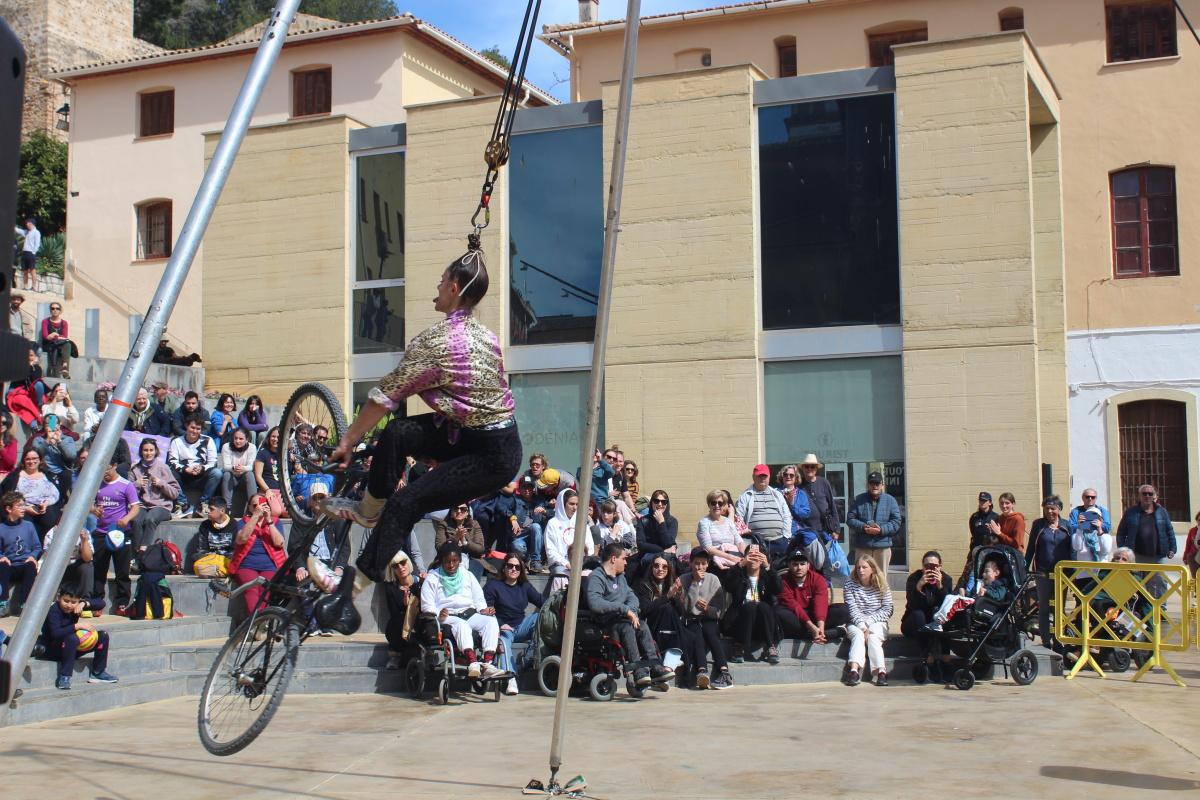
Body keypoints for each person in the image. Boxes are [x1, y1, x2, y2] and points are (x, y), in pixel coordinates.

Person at [319, 251, 523, 588]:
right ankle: (369, 507)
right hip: (473, 433)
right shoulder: (487, 337)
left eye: (442, 280)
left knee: (406, 502)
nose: (438, 285)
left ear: (455, 287)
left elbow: (384, 397)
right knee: (400, 432)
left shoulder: (437, 343)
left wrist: (347, 440)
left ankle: (350, 588)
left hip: (491, 456)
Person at [585, 541, 674, 693]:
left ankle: (655, 667)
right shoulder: (596, 577)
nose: (626, 562)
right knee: (628, 628)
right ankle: (638, 670)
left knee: (642, 626)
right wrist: (625, 610)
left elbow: (632, 597)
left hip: (623, 618)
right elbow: (595, 603)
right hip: (606, 623)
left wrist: (631, 611)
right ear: (614, 559)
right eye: (624, 558)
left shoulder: (621, 577)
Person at [420, 542, 505, 679]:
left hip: (469, 613)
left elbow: (478, 598)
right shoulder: (433, 577)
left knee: (490, 622)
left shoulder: (467, 575)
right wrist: (438, 613)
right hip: (447, 616)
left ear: (459, 560)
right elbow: (426, 605)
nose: (451, 565)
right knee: (462, 625)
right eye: (448, 561)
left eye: (455, 561)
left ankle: (487, 664)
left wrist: (483, 610)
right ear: (442, 560)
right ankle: (472, 662)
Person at [669, 547, 731, 689]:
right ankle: (702, 671)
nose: (700, 567)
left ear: (708, 564)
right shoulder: (684, 579)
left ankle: (724, 671)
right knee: (696, 633)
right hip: (691, 620)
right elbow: (687, 609)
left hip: (709, 619)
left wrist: (707, 609)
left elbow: (719, 610)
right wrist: (695, 583)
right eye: (696, 563)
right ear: (690, 564)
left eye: (703, 563)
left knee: (710, 632)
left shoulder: (714, 579)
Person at [484, 552, 544, 695]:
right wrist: (499, 623)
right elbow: (484, 611)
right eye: (510, 566)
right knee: (504, 641)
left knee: (539, 617)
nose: (513, 569)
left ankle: (528, 658)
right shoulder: (493, 586)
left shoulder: (525, 586)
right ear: (504, 568)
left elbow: (543, 602)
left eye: (517, 567)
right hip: (504, 629)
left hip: (521, 625)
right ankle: (511, 678)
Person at [42, 586, 118, 690]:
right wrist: (77, 626)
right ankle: (64, 677)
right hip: (53, 649)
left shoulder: (77, 606)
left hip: (70, 648)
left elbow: (101, 603)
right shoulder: (54, 610)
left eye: (73, 602)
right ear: (59, 598)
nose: (69, 605)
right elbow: (55, 633)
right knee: (72, 638)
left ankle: (98, 673)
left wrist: (84, 603)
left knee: (103, 636)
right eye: (66, 601)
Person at [91, 456, 140, 615]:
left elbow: (135, 507)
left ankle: (122, 603)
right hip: (101, 532)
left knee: (122, 571)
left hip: (120, 533)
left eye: (107, 468)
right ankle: (97, 602)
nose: (104, 472)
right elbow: (87, 502)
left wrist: (126, 519)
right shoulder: (96, 483)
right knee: (99, 569)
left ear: (114, 465)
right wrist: (93, 510)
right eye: (102, 469)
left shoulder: (126, 485)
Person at [1026, 495, 1073, 649]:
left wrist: (1072, 571)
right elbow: (1032, 547)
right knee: (1044, 607)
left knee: (1059, 607)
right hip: (1043, 572)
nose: (1050, 511)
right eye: (1046, 509)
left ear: (1059, 509)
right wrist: (1026, 567)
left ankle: (1059, 639)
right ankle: (1046, 640)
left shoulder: (1067, 526)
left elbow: (1073, 550)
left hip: (1062, 573)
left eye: (1053, 508)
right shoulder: (1038, 525)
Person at [721, 545, 781, 664]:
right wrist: (740, 565)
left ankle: (770, 646)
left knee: (763, 606)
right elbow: (727, 585)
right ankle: (739, 646)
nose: (754, 559)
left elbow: (778, 588)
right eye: (751, 556)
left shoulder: (767, 575)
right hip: (740, 621)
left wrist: (768, 567)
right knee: (751, 606)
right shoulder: (739, 574)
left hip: (762, 623)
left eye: (757, 556)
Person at [900, 550, 955, 681]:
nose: (930, 569)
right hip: (914, 622)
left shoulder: (946, 579)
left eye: (934, 566)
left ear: (940, 567)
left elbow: (946, 606)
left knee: (945, 617)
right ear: (922, 567)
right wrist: (919, 587)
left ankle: (945, 660)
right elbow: (912, 605)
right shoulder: (914, 578)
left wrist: (940, 586)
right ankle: (929, 660)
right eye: (927, 566)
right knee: (919, 615)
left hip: (935, 621)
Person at [229, 495, 287, 615]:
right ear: (249, 508)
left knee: (265, 590)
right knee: (251, 589)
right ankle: (257, 622)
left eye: (261, 504)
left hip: (270, 565)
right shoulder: (243, 522)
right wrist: (255, 516)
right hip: (247, 565)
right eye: (254, 505)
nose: (258, 507)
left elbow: (279, 543)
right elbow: (241, 539)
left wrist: (269, 520)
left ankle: (257, 623)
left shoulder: (275, 522)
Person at [1115, 484, 1175, 597]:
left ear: (1154, 496)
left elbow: (1169, 531)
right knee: (1135, 582)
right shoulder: (1131, 512)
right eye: (1144, 493)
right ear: (1139, 496)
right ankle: (1138, 609)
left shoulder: (1162, 511)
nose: (1147, 496)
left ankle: (1160, 610)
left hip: (1157, 556)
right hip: (1136, 555)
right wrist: (1123, 550)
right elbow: (1121, 532)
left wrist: (1172, 548)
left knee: (1159, 583)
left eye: (1150, 494)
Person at [774, 550, 847, 642]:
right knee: (778, 612)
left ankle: (816, 634)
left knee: (843, 609)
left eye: (802, 564)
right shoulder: (783, 581)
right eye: (795, 564)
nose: (799, 568)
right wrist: (812, 627)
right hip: (796, 617)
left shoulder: (818, 579)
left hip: (814, 615)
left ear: (808, 566)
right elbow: (794, 606)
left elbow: (820, 604)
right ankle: (831, 633)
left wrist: (820, 627)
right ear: (789, 565)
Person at [844, 554, 893, 686]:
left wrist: (868, 623)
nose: (860, 570)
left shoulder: (882, 583)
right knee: (859, 635)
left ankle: (881, 672)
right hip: (855, 621)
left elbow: (887, 609)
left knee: (873, 637)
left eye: (864, 567)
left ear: (872, 568)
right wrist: (862, 626)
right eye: (858, 567)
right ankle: (854, 670)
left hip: (877, 621)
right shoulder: (850, 583)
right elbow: (851, 609)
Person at [129, 438, 179, 551]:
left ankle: (143, 549)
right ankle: (137, 552)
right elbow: (128, 494)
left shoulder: (163, 467)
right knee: (136, 520)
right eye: (145, 450)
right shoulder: (135, 469)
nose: (148, 453)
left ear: (156, 451)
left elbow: (175, 493)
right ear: (141, 451)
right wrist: (136, 484)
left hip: (161, 506)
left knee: (150, 519)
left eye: (151, 450)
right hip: (142, 505)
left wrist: (162, 484)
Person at [167, 414, 222, 518]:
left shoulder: (208, 440)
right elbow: (172, 461)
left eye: (198, 429)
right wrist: (185, 469)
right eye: (192, 427)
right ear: (186, 426)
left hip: (201, 476)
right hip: (184, 476)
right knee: (169, 470)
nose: (195, 431)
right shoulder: (176, 441)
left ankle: (203, 504)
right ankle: (183, 504)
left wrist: (202, 468)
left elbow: (212, 461)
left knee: (217, 473)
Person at [734, 464, 793, 560]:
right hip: (756, 541)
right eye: (759, 476)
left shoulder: (777, 494)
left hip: (779, 540)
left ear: (769, 477)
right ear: (753, 477)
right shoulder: (746, 496)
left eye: (764, 476)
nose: (762, 479)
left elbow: (786, 515)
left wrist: (786, 537)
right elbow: (739, 518)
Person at [847, 471, 903, 572]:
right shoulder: (858, 499)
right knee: (861, 578)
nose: (875, 486)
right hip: (863, 547)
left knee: (880, 580)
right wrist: (864, 527)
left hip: (882, 548)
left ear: (882, 485)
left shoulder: (890, 500)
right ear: (868, 485)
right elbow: (850, 519)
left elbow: (896, 521)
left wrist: (881, 530)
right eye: (872, 483)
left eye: (877, 483)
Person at [633, 554, 684, 659]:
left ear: (669, 569)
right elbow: (645, 610)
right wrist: (667, 596)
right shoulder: (643, 585)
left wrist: (674, 596)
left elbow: (681, 612)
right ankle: (670, 657)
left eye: (664, 567)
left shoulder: (672, 585)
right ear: (651, 568)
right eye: (656, 566)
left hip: (671, 624)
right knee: (667, 608)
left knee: (692, 635)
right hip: (651, 625)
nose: (660, 569)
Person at [544, 488, 594, 594]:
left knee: (591, 576)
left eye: (577, 504)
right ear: (563, 504)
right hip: (560, 565)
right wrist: (566, 563)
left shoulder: (581, 523)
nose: (575, 507)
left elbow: (590, 548)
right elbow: (551, 551)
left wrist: (580, 563)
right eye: (571, 504)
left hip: (581, 564)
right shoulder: (553, 523)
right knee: (561, 576)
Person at [0, 491, 42, 616]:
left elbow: (37, 547)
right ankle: (3, 601)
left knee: (30, 567)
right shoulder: (1, 528)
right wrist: (1, 557)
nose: (23, 508)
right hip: (10, 565)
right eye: (19, 506)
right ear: (8, 508)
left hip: (25, 563)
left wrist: (32, 556)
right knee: (2, 567)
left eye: (24, 505)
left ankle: (25, 603)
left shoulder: (29, 526)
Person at [382, 550, 422, 670]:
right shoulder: (391, 588)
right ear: (392, 570)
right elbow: (393, 612)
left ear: (408, 563)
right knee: (396, 620)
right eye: (395, 566)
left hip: (419, 621)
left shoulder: (421, 583)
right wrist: (405, 604)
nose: (400, 567)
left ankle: (428, 654)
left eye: (402, 563)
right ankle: (395, 656)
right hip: (401, 625)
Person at [13, 449, 61, 541]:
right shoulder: (16, 476)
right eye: (28, 459)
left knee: (50, 519)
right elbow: (11, 496)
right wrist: (25, 508)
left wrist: (45, 504)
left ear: (40, 460)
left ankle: (49, 548)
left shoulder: (48, 474)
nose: (31, 461)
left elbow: (55, 494)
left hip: (45, 507)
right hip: (24, 507)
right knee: (26, 524)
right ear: (24, 460)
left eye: (34, 458)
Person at [697, 489, 745, 574]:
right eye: (713, 503)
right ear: (709, 504)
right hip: (715, 564)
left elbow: (739, 542)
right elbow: (708, 548)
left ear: (724, 505)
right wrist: (730, 557)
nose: (717, 505)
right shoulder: (704, 523)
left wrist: (746, 555)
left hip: (734, 558)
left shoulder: (729, 521)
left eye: (720, 503)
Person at [433, 502, 487, 579]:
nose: (459, 511)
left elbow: (480, 549)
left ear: (467, 513)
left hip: (472, 558)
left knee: (471, 578)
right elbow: (439, 548)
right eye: (456, 508)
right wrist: (455, 538)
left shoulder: (474, 524)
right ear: (451, 513)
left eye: (463, 509)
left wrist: (465, 543)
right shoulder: (443, 525)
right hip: (448, 558)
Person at [798, 453, 842, 541]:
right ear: (803, 468)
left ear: (816, 468)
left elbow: (832, 506)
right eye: (807, 466)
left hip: (824, 530)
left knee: (824, 554)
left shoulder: (824, 483)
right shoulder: (798, 485)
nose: (809, 469)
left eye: (812, 466)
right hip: (805, 531)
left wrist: (836, 530)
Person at [193, 497, 237, 578]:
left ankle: (216, 571)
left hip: (226, 560)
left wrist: (221, 558)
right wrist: (214, 557)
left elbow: (235, 551)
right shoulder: (205, 525)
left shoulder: (234, 525)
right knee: (197, 566)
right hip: (210, 560)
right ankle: (221, 572)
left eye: (211, 509)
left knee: (234, 564)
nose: (207, 511)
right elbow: (200, 550)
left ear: (222, 511)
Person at [637, 490, 678, 572]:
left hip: (666, 558)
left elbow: (668, 543)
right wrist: (663, 551)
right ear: (652, 503)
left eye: (663, 502)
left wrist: (661, 523)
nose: (660, 504)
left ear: (667, 504)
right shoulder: (643, 520)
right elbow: (641, 544)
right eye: (656, 501)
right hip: (648, 557)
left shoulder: (672, 521)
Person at [219, 428, 258, 512]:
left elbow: (250, 467)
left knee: (250, 474)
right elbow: (226, 466)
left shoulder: (252, 447)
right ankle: (226, 508)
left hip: (244, 478)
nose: (237, 441)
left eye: (241, 439)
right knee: (226, 474)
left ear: (247, 439)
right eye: (235, 438)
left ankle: (254, 506)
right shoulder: (226, 446)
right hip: (231, 477)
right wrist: (234, 468)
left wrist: (242, 468)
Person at [776, 464, 813, 547]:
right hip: (779, 532)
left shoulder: (801, 494)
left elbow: (806, 514)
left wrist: (792, 504)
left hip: (797, 532)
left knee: (814, 540)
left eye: (791, 475)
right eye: (785, 474)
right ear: (782, 477)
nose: (788, 477)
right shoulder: (775, 493)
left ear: (796, 477)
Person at [254, 426, 283, 516]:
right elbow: (258, 475)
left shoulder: (285, 454)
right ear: (269, 437)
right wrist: (267, 490)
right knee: (276, 512)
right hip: (267, 490)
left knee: (287, 513)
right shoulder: (263, 453)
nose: (275, 439)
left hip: (282, 492)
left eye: (278, 437)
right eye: (273, 436)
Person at [39, 302, 73, 378]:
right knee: (64, 345)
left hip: (59, 344)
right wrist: (57, 336)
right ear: (50, 310)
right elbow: (45, 336)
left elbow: (64, 337)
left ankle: (64, 368)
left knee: (68, 344)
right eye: (52, 308)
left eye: (57, 308)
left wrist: (53, 335)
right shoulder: (45, 321)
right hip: (48, 345)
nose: (55, 310)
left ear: (60, 311)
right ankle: (57, 370)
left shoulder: (64, 323)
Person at [19, 219, 41, 291]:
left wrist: (33, 252)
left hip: (31, 253)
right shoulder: (27, 232)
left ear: (31, 224)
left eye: (27, 223)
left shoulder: (36, 232)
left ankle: (34, 287)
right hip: (25, 252)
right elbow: (19, 231)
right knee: (25, 271)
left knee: (32, 270)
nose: (26, 225)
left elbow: (37, 244)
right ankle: (25, 286)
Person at [1183, 510, 1200, 577]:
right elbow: (1188, 545)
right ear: (1197, 520)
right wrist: (1185, 557)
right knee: (1195, 578)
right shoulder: (1192, 530)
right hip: (1193, 558)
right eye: (1199, 520)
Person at [0, 413, 16, 479]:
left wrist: (2, 450)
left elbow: (11, 463)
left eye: (4, 422)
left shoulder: (12, 441)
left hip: (7, 474)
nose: (1, 424)